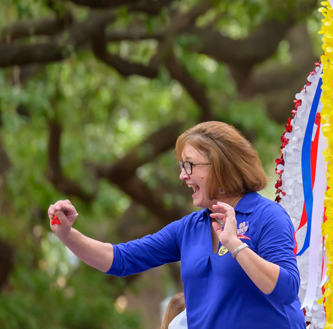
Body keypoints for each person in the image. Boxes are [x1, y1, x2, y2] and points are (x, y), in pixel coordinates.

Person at [47, 121, 303, 329]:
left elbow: (286, 290)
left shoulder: (268, 216)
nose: (182, 175)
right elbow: (119, 259)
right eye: (182, 166)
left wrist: (235, 245)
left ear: (221, 166)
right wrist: (67, 234)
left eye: (189, 165)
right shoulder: (189, 228)